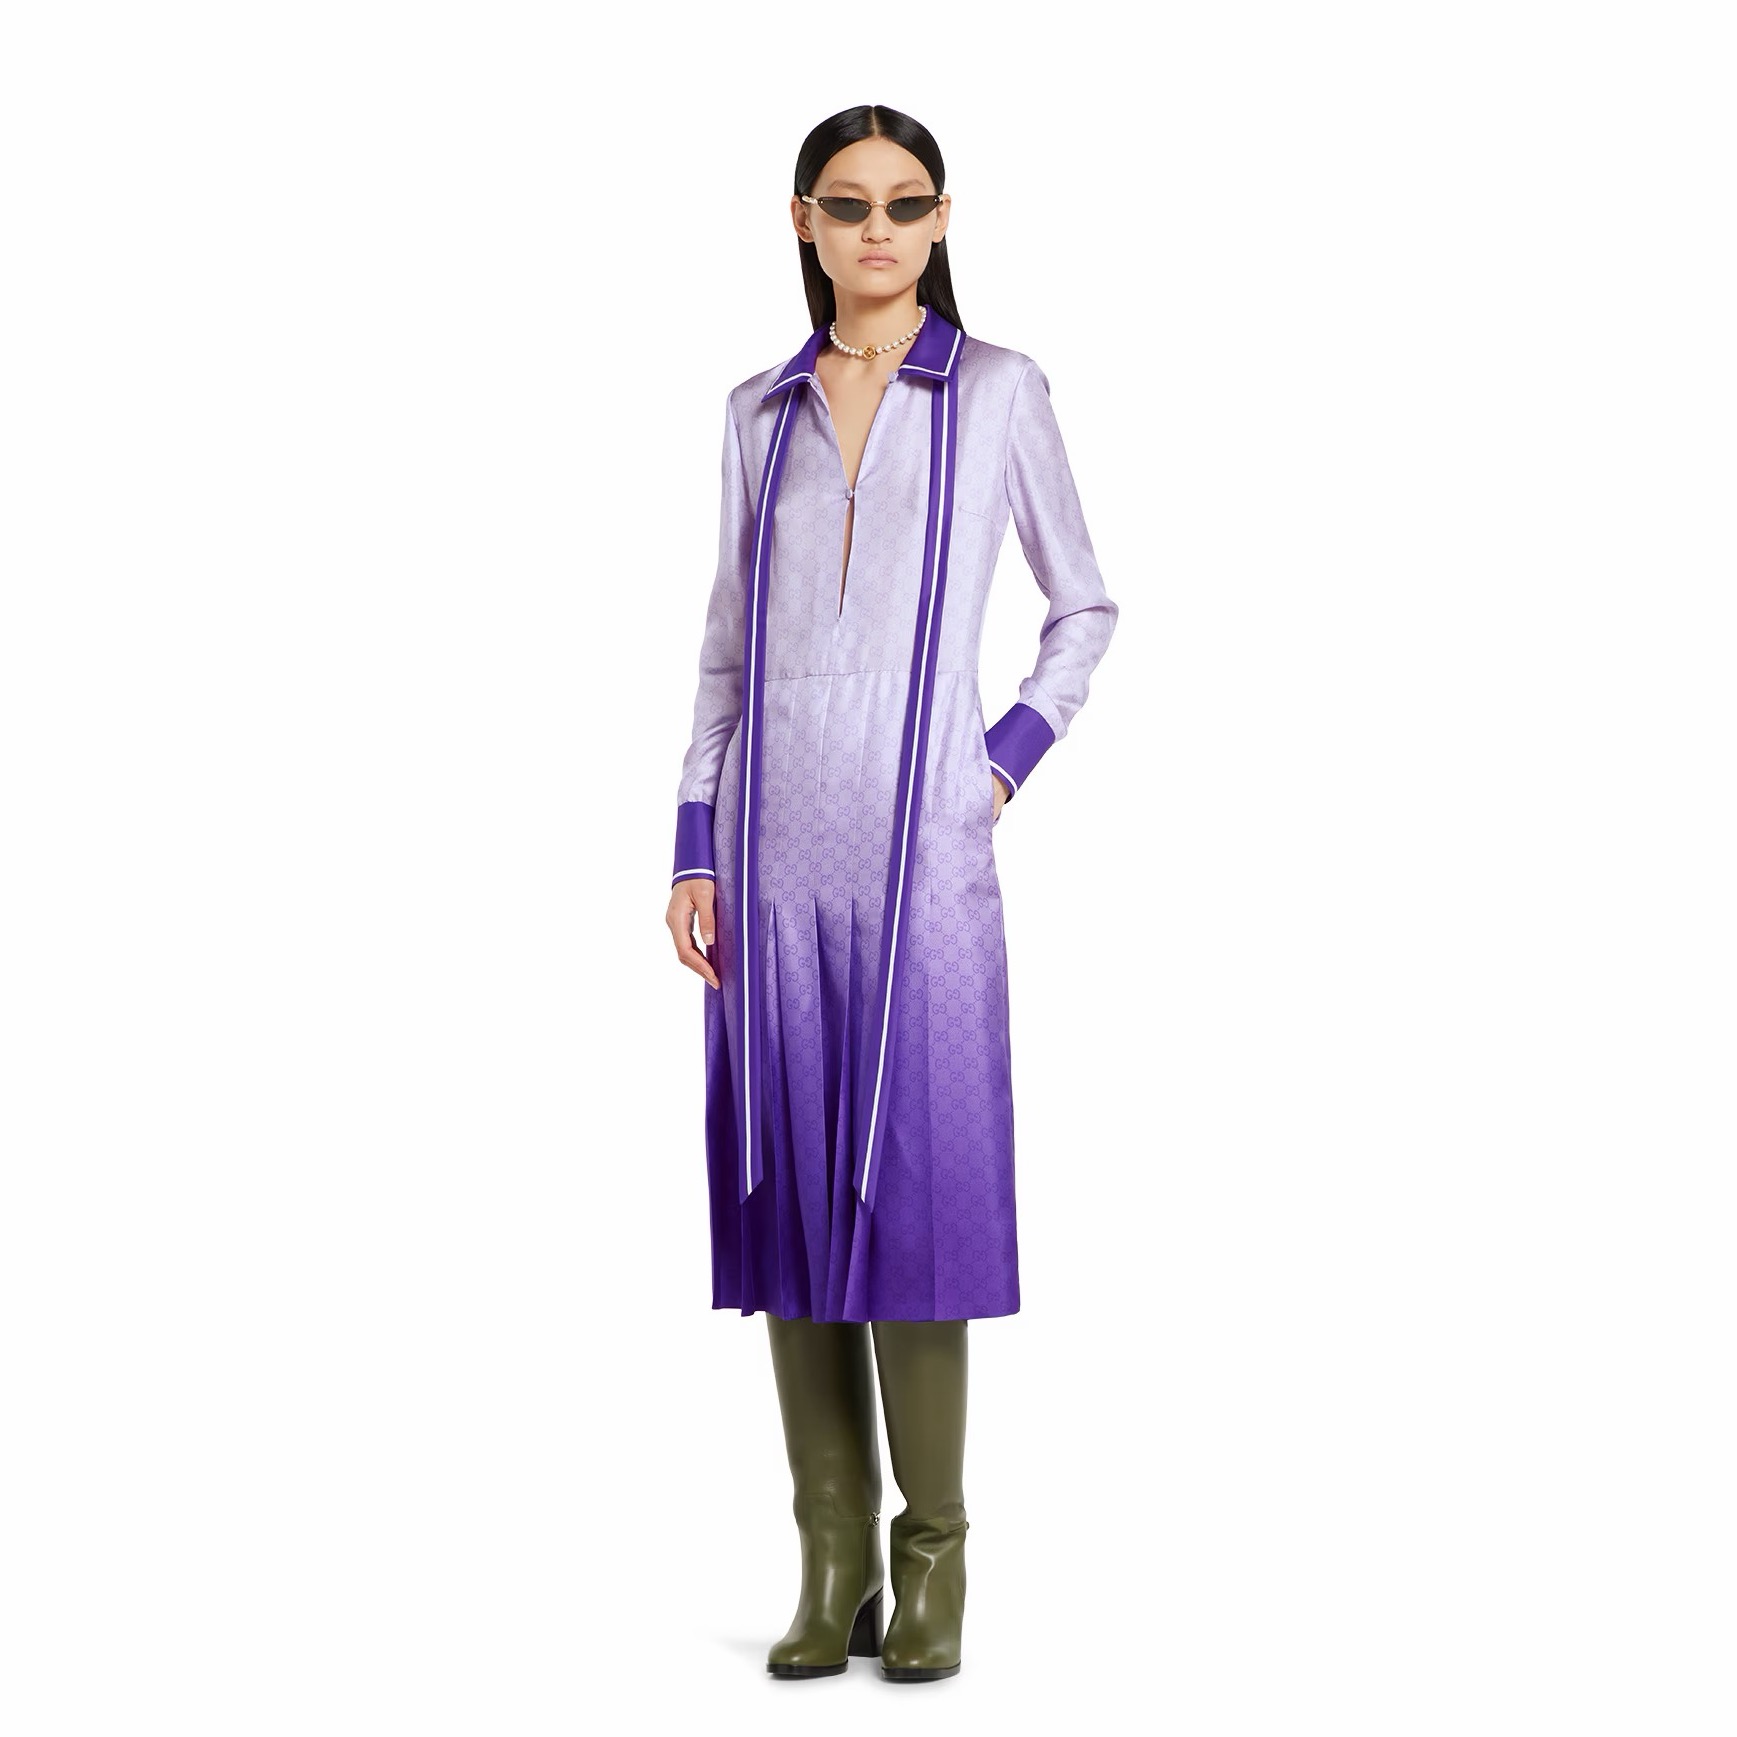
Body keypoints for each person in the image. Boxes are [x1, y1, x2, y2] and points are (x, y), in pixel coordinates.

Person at [663, 104, 1119, 1681]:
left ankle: (931, 1564)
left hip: (924, 862)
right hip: (772, 856)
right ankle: (831, 1557)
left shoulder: (994, 391)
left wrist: (996, 763)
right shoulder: (756, 412)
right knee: (788, 1190)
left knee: (915, 1195)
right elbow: (726, 652)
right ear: (803, 220)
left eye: (904, 204)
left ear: (939, 220)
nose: (877, 230)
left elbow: (1085, 606)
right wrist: (693, 844)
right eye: (847, 205)